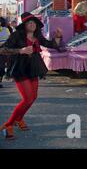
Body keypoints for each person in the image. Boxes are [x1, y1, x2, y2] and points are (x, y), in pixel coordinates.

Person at [0, 12, 63, 140]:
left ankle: (19, 119)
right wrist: (20, 50)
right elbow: (3, 49)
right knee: (27, 98)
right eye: (29, 22)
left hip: (34, 68)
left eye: (34, 22)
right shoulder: (16, 35)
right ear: (24, 25)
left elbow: (52, 45)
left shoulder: (38, 35)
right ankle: (8, 125)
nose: (32, 24)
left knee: (33, 97)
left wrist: (57, 37)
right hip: (20, 69)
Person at [0, 17, 10, 88]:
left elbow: (9, 39)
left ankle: (0, 81)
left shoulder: (6, 30)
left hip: (3, 50)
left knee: (2, 68)